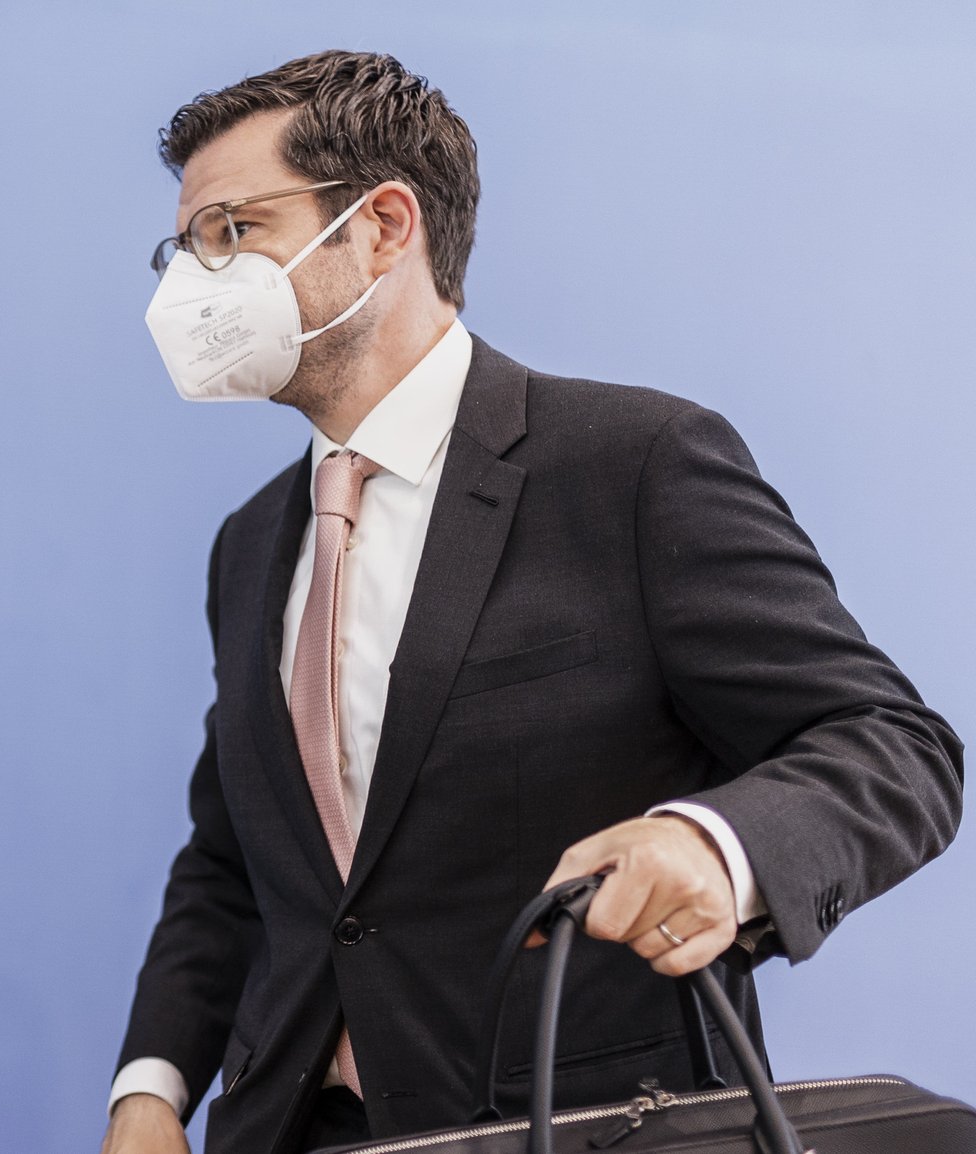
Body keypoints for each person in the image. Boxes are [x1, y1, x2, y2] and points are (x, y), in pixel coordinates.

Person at [103, 51, 961, 1154]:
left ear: (382, 226)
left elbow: (893, 747)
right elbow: (230, 862)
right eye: (184, 246)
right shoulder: (250, 543)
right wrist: (149, 1086)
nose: (193, 281)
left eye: (231, 230)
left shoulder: (633, 463)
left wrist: (714, 841)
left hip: (569, 1121)